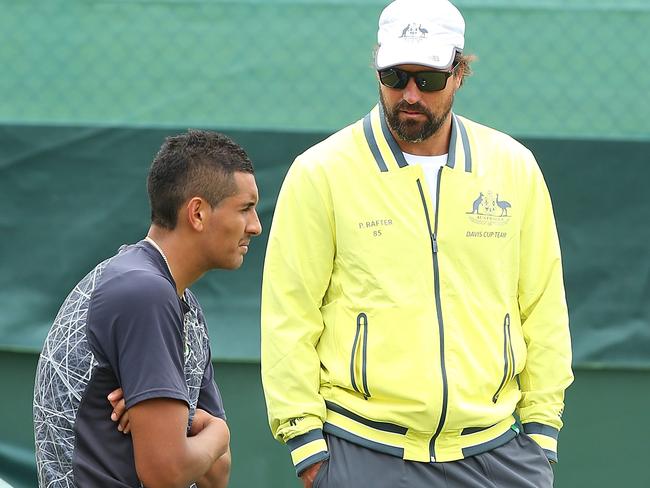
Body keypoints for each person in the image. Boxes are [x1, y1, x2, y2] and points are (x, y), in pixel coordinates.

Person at [260, 0, 573, 486]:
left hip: (498, 454)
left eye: (426, 79)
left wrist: (541, 436)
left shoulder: (514, 169)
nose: (409, 93)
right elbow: (289, 314)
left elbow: (543, 307)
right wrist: (307, 445)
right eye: (394, 76)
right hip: (362, 450)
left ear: (459, 73)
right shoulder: (320, 173)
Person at [33, 129, 262, 487]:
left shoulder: (180, 300)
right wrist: (216, 432)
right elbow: (166, 472)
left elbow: (217, 476)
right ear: (198, 213)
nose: (256, 226)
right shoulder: (143, 293)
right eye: (245, 209)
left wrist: (179, 422)